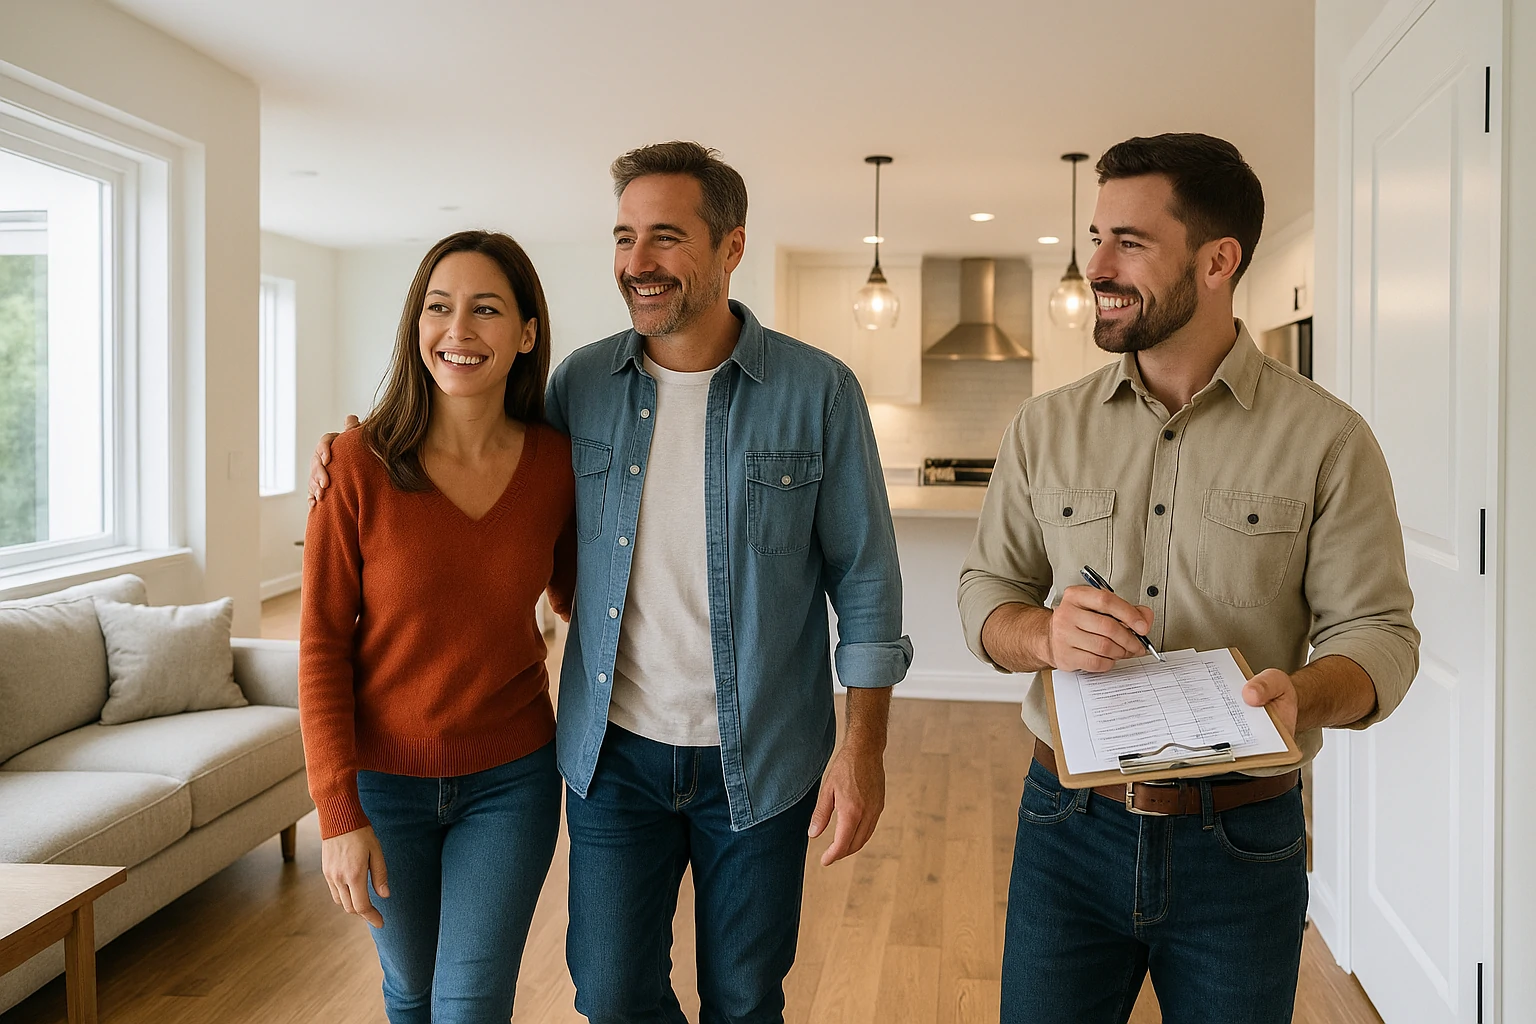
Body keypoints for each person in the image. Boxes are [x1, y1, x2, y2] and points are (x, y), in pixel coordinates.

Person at [311, 142, 910, 1023]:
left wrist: (863, 751)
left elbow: (867, 581)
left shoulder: (817, 392)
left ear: (731, 247)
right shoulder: (581, 386)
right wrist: (350, 447)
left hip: (763, 755)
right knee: (612, 993)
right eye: (625, 237)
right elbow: (529, 521)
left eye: (665, 238)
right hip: (613, 757)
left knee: (744, 999)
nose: (637, 262)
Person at [958, 134, 1419, 1024]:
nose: (1096, 264)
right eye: (1097, 236)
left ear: (1218, 260)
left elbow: (1380, 637)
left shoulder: (1329, 440)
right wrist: (1042, 635)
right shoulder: (1043, 428)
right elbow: (987, 592)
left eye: (1129, 241)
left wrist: (1304, 697)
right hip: (1068, 826)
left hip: (1243, 842)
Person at [299, 230, 575, 1024]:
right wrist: (337, 814)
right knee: (411, 992)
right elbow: (319, 644)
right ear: (415, 327)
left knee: (468, 1003)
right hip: (384, 784)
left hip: (511, 780)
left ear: (526, 334)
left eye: (486, 310)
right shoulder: (355, 465)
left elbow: (586, 598)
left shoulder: (555, 466)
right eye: (439, 308)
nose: (458, 331)